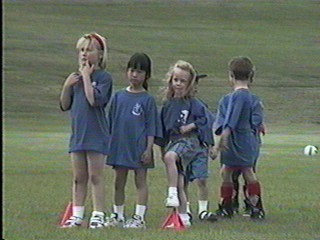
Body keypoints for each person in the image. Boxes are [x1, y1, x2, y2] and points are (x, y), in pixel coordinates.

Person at [60, 33, 113, 228]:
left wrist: (86, 77)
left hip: (96, 134)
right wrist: (67, 86)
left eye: (89, 50)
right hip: (78, 135)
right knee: (78, 177)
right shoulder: (75, 78)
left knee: (95, 176)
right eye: (81, 50)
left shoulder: (103, 78)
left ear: (99, 55)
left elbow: (93, 100)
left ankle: (98, 214)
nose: (84, 54)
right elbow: (65, 104)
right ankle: (77, 214)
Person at [105, 53, 160, 229]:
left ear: (147, 75)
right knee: (118, 182)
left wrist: (148, 149)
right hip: (120, 147)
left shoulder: (147, 100)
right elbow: (110, 123)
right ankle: (118, 215)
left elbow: (151, 127)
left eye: (139, 71)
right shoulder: (118, 96)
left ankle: (139, 217)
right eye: (132, 70)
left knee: (140, 182)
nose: (134, 75)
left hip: (139, 149)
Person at [210, 56, 265, 219]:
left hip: (232, 140)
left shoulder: (228, 99)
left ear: (231, 76)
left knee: (226, 171)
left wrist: (221, 140)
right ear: (251, 75)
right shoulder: (255, 100)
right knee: (248, 171)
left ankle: (227, 205)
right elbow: (256, 121)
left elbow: (226, 122)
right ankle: (255, 207)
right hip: (248, 140)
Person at [156, 60, 208, 227]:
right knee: (179, 181)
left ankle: (171, 194)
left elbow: (204, 119)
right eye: (175, 80)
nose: (178, 84)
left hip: (189, 142)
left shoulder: (193, 103)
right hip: (173, 143)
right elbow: (162, 130)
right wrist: (161, 148)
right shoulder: (167, 105)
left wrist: (189, 126)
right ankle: (183, 217)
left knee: (171, 157)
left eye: (182, 81)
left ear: (189, 84)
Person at [183, 74, 218, 222]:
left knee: (201, 179)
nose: (194, 88)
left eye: (196, 85)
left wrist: (210, 145)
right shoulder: (177, 104)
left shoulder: (201, 106)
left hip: (199, 147)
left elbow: (206, 126)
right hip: (183, 147)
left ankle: (203, 210)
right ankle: (186, 209)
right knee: (183, 180)